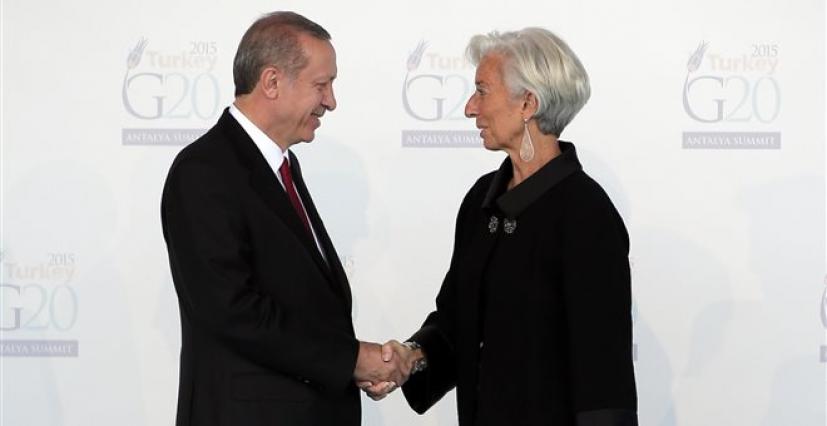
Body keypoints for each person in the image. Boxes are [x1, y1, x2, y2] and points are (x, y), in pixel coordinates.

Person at [361, 27, 638, 425]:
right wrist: (412, 357)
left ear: (528, 103)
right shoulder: (481, 200)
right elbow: (456, 321)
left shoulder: (586, 213)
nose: (469, 108)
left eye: (482, 91)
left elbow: (604, 368)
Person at [161, 11, 406, 426]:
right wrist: (350, 359)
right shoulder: (204, 171)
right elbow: (232, 310)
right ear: (272, 82)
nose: (331, 101)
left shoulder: (281, 167)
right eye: (321, 85)